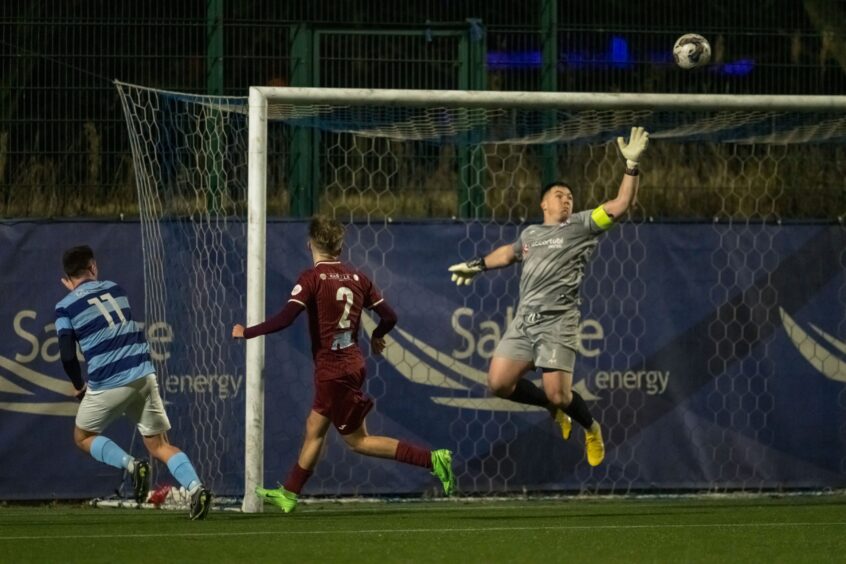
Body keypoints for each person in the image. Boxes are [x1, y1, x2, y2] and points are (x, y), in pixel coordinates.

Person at [447, 126, 650, 467]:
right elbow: (508, 254)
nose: (565, 198)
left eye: (569, 195)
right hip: (525, 322)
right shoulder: (531, 233)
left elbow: (621, 203)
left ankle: (591, 427)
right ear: (543, 203)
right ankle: (552, 409)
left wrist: (631, 165)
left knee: (560, 393)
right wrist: (477, 265)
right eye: (558, 194)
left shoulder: (583, 225)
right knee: (498, 383)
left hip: (558, 322)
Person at [233, 215, 455, 513]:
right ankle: (289, 492)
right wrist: (377, 335)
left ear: (309, 243)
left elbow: (285, 318)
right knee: (315, 428)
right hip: (351, 365)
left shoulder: (311, 279)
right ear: (340, 246)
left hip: (333, 372)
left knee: (359, 442)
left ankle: (432, 459)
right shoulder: (358, 278)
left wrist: (246, 332)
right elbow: (390, 317)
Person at [55, 245, 212, 520]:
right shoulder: (116, 289)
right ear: (93, 267)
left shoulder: (64, 306)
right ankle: (196, 489)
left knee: (82, 437)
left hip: (109, 381)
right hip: (143, 374)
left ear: (67, 279)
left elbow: (68, 355)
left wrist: (78, 384)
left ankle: (131, 465)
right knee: (160, 445)